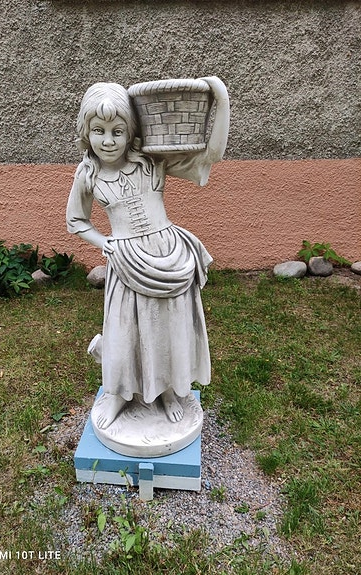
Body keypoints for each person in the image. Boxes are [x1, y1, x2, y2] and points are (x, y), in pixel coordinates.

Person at [66, 78, 229, 430]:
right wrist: (103, 242)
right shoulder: (88, 173)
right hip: (127, 261)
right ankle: (119, 393)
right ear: (86, 132)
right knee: (123, 330)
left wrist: (220, 97)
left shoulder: (152, 161)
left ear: (131, 132)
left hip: (168, 254)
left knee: (168, 327)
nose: (108, 141)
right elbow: (76, 220)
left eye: (117, 131)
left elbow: (209, 157)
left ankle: (168, 391)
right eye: (99, 131)